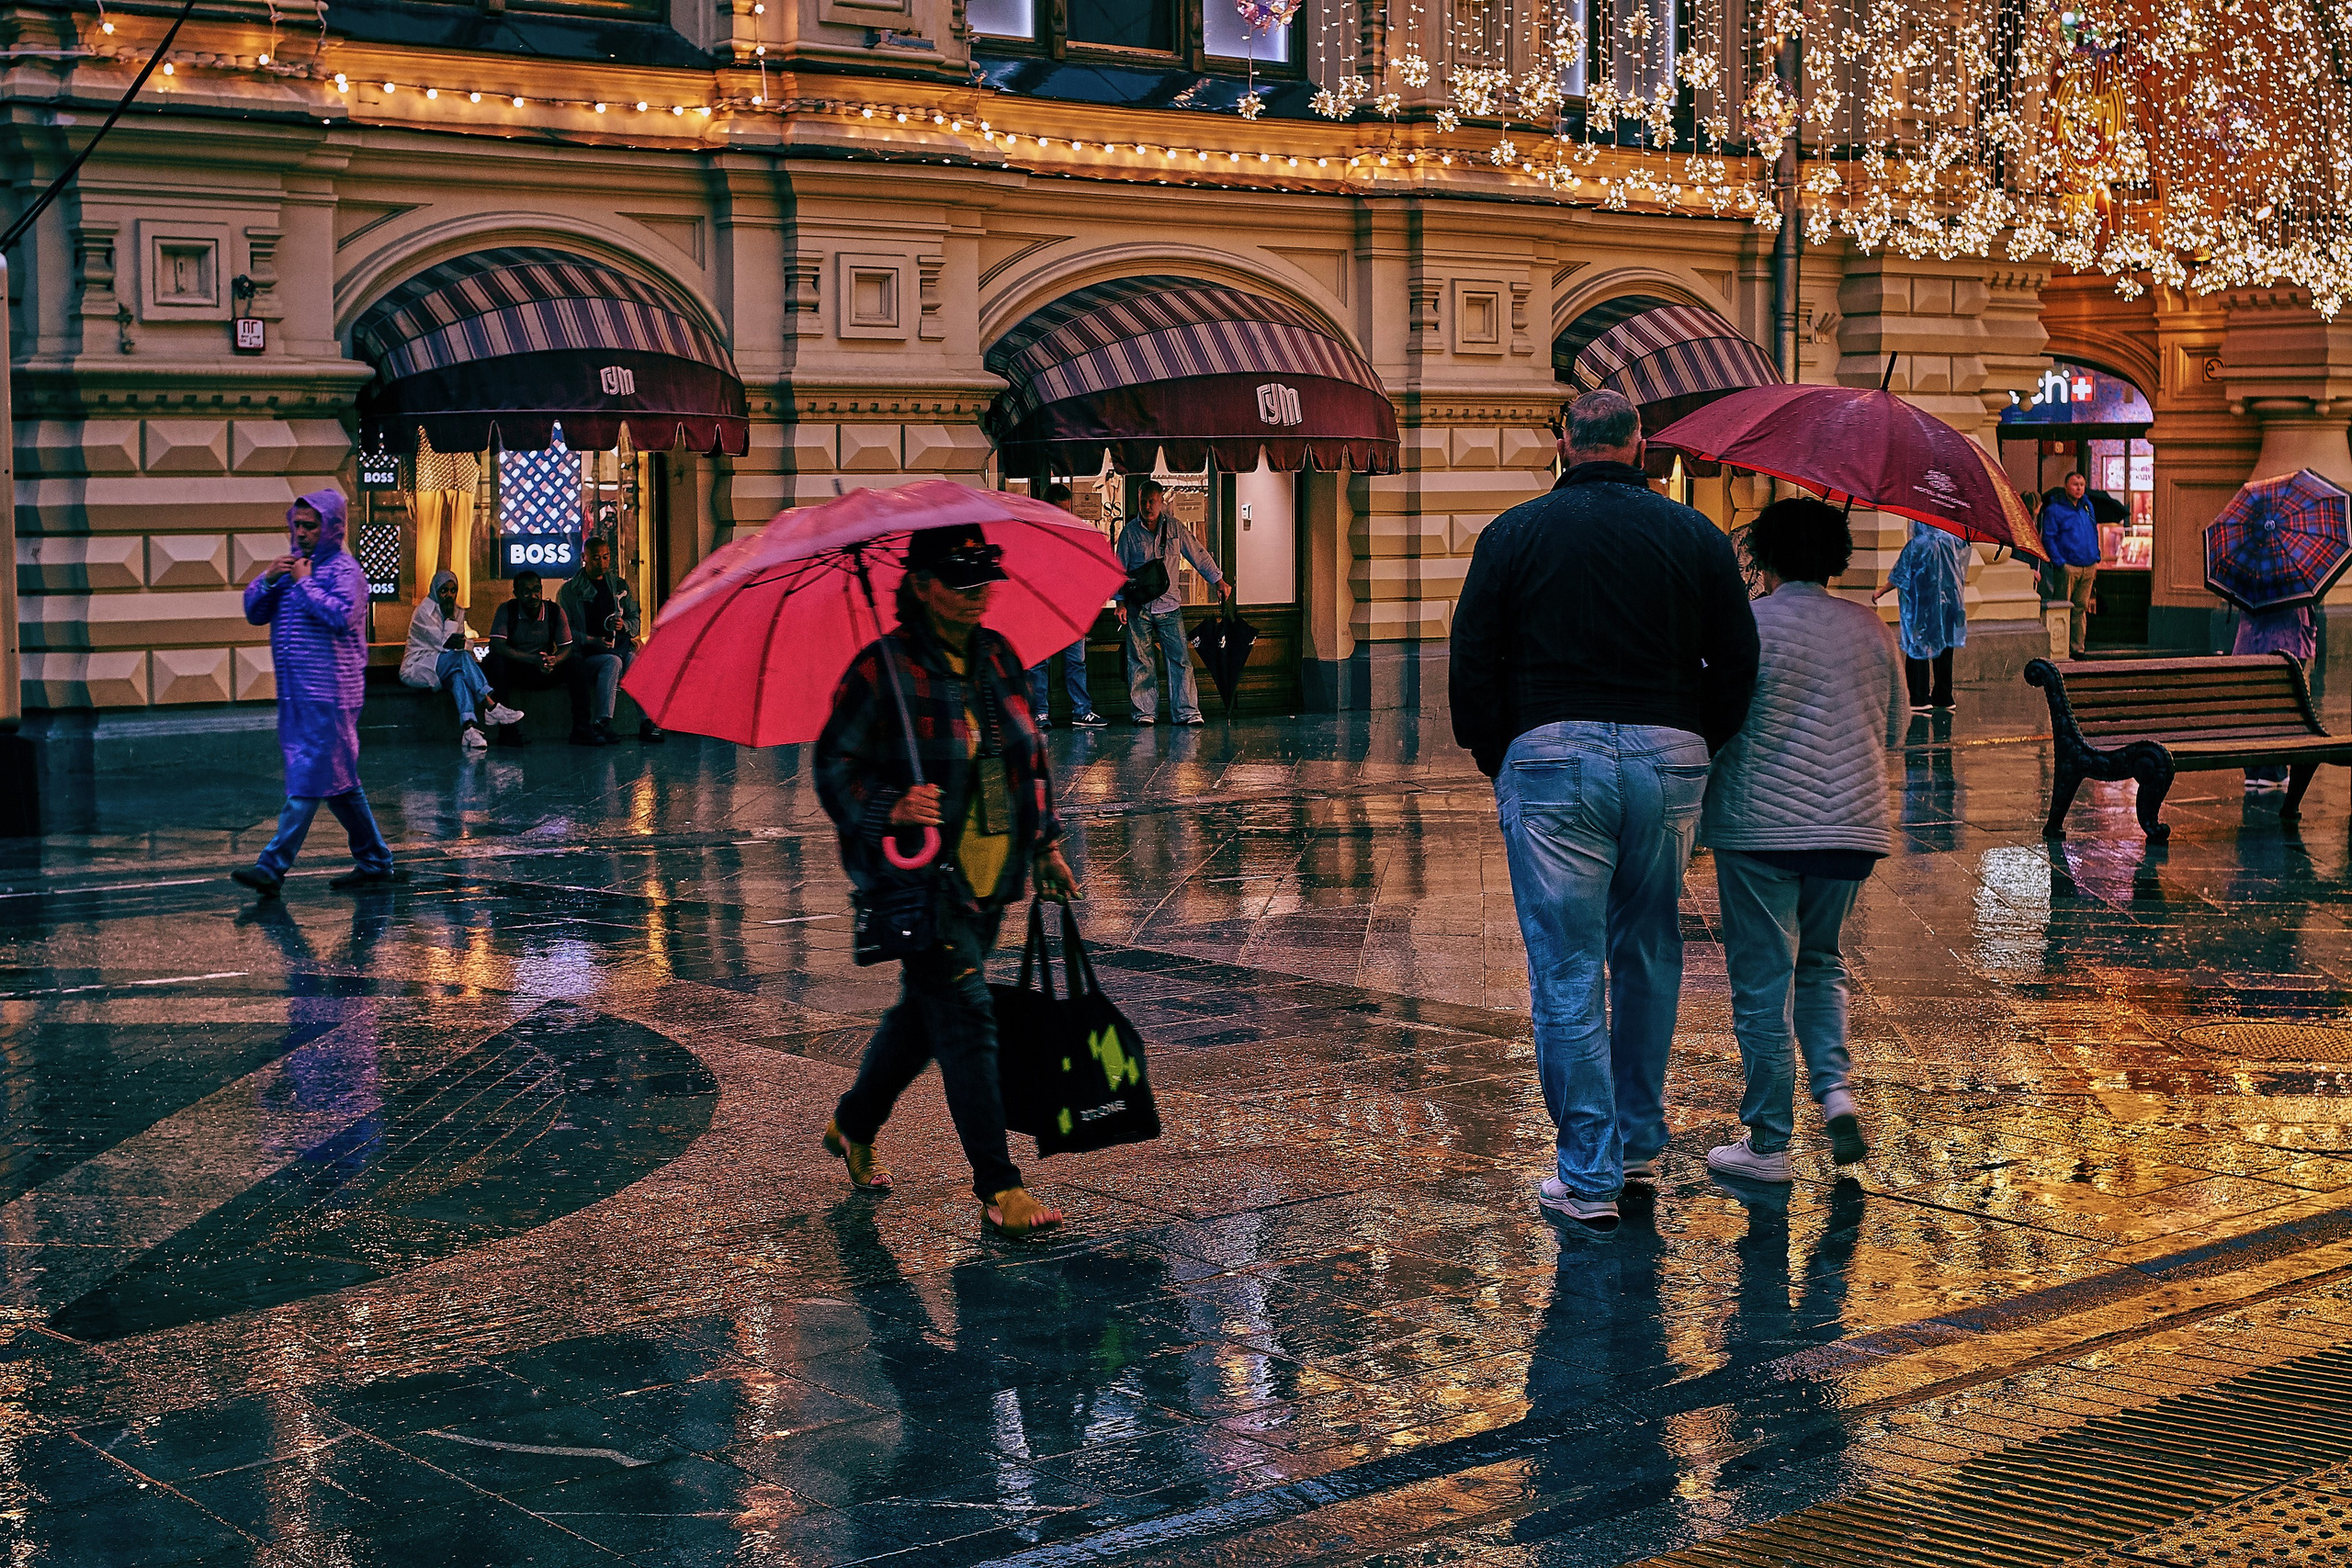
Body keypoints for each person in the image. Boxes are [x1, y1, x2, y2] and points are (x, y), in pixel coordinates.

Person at [1450, 389, 1760, 1232]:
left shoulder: (1512, 534)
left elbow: (1472, 656)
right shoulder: (1694, 534)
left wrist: (1499, 752)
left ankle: (1589, 1174)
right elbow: (1737, 658)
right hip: (1670, 755)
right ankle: (1638, 1147)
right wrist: (1698, 737)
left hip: (1549, 753)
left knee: (1567, 967)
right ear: (1642, 444)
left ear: (1563, 442)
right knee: (1651, 950)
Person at [815, 524, 1083, 1236]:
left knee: (922, 1016)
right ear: (924, 586)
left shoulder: (998, 656)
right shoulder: (883, 672)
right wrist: (890, 804)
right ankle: (999, 1183)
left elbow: (1030, 759)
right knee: (965, 1016)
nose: (978, 595)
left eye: (984, 581)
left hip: (990, 875)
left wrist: (1047, 846)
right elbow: (833, 766)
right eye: (961, 584)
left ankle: (853, 1122)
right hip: (919, 880)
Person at [1701, 499, 1904, 1184]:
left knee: (1763, 981)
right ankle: (1835, 1090)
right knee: (1820, 961)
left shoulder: (1749, 624)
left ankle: (1768, 1141)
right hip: (1852, 831)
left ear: (1766, 555)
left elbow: (1716, 719)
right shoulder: (1872, 630)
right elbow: (1897, 729)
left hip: (1760, 830)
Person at [231, 490, 404, 897]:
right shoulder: (292, 569)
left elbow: (341, 616)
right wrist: (267, 579)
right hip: (296, 693)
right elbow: (255, 613)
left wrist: (304, 584)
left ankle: (272, 866)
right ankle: (376, 861)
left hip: (331, 693)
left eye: (311, 525)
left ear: (333, 528)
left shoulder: (346, 572)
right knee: (340, 782)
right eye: (297, 524)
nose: (302, 533)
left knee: (308, 778)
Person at [1115, 479, 1229, 726]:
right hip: (1140, 608)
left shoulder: (1176, 528)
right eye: (1144, 501)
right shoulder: (1129, 533)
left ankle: (1187, 711)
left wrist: (1218, 581)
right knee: (1140, 662)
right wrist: (1120, 603)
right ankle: (1144, 713)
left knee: (1180, 660)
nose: (1147, 506)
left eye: (1152, 501)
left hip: (1170, 607)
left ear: (1161, 502)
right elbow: (1118, 569)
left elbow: (1198, 554)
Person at [401, 570, 523, 750]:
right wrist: (449, 619)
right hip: (419, 666)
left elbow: (459, 645)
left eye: (453, 590)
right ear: (435, 590)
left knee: (459, 675)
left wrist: (459, 640)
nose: (449, 595)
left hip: (447, 665)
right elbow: (444, 645)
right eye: (444, 591)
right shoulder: (424, 612)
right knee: (460, 659)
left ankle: (469, 729)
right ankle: (491, 705)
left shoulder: (458, 611)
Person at [559, 537, 663, 744]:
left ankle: (647, 721)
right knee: (612, 662)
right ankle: (602, 721)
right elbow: (564, 630)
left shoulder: (618, 586)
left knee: (634, 663)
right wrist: (590, 640)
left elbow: (635, 618)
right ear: (585, 558)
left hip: (619, 649)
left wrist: (623, 626)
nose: (601, 563)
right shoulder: (570, 591)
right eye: (596, 558)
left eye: (605, 557)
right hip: (586, 656)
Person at [1027, 484, 1107, 729]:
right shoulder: (1036, 534)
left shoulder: (1073, 533)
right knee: (1042, 662)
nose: (1063, 514)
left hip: (1071, 607)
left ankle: (1079, 711)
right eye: (1059, 509)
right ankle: (1041, 712)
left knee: (1075, 662)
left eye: (1066, 509)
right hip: (1046, 606)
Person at [1875, 518, 1972, 711]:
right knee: (1944, 646)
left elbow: (1900, 575)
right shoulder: (1953, 541)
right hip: (1949, 606)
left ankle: (1919, 696)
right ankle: (1944, 696)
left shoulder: (1917, 545)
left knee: (1917, 646)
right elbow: (1961, 569)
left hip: (1922, 605)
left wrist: (1880, 592)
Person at [484, 570, 575, 747]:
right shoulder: (507, 610)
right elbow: (497, 645)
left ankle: (582, 727)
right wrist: (532, 659)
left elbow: (567, 647)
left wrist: (554, 660)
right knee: (493, 661)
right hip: (518, 668)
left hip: (545, 668)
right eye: (526, 592)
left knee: (576, 662)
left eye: (536, 590)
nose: (533, 596)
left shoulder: (554, 611)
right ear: (516, 594)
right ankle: (507, 730)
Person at [2234, 604, 2318, 790]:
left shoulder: (2250, 578)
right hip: (2286, 642)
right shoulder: (2290, 578)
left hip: (2249, 643)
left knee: (2253, 705)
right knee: (2279, 705)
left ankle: (2254, 768)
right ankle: (2273, 769)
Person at [2041, 471, 2101, 658]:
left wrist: (2096, 555)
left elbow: (2093, 531)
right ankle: (2061, 647)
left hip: (2088, 564)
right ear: (2066, 486)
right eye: (2075, 484)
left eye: (2082, 484)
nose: (2079, 488)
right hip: (2069, 566)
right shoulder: (2055, 510)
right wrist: (2060, 562)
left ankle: (2077, 646)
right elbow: (2048, 538)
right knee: (2063, 606)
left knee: (2080, 607)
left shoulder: (2087, 507)